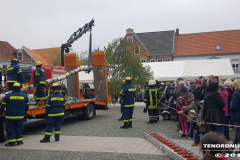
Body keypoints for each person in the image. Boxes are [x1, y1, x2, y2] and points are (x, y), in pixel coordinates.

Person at [231, 79, 240, 148]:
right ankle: (232, 147)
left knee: (238, 131)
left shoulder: (236, 94)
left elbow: (234, 107)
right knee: (237, 131)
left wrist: (230, 109)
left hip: (237, 115)